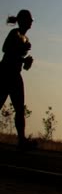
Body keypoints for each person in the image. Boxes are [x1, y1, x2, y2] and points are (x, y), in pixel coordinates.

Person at [0, 9, 36, 150]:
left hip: (15, 74)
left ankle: (22, 140)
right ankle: (22, 140)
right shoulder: (14, 33)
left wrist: (26, 62)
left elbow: (22, 62)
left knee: (20, 109)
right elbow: (5, 50)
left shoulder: (26, 39)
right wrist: (22, 58)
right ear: (23, 21)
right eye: (29, 20)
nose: (30, 23)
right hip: (5, 73)